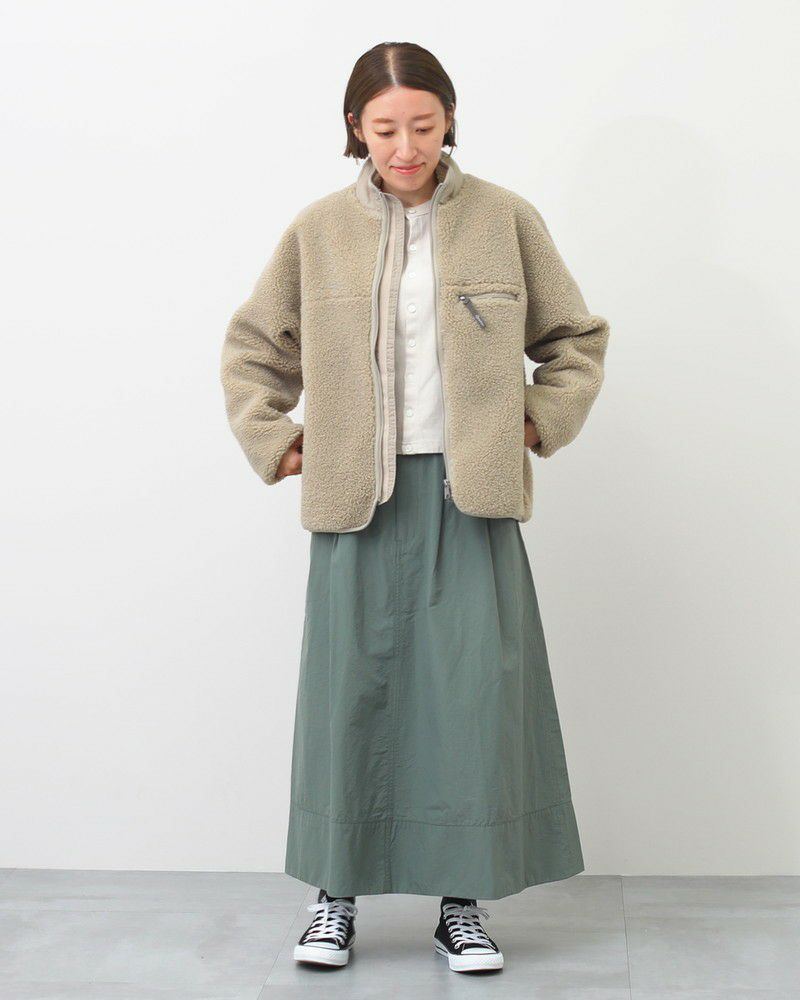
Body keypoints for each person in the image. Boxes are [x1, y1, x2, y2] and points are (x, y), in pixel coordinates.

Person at [220, 41, 610, 975]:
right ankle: (334, 898)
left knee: (471, 706)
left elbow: (575, 340)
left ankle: (460, 905)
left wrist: (536, 421)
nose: (405, 148)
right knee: (347, 701)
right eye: (386, 129)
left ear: (450, 121)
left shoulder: (505, 219)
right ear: (355, 128)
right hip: (357, 500)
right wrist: (276, 441)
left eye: (423, 127)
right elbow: (253, 349)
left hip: (469, 497)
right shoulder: (319, 231)